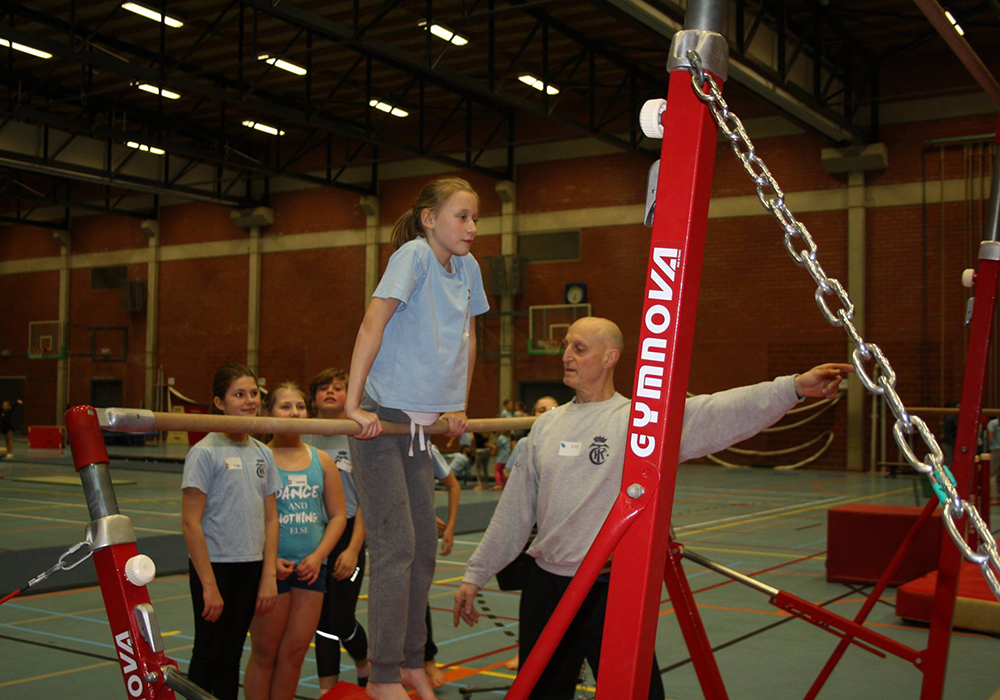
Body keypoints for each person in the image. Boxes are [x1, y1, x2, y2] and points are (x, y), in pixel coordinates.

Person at [453, 317, 852, 699]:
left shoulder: (640, 423)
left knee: (638, 692)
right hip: (547, 586)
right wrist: (476, 573)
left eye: (579, 348)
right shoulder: (545, 426)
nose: (566, 356)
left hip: (608, 590)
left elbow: (721, 411)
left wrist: (793, 388)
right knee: (540, 691)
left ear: (610, 358)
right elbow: (514, 513)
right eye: (565, 347)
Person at [345, 177, 489, 700]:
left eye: (476, 218)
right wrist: (352, 404)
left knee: (424, 547)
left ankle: (410, 661)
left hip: (418, 427)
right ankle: (381, 674)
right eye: (462, 217)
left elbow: (468, 342)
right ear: (430, 219)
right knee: (396, 545)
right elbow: (372, 324)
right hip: (384, 416)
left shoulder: (468, 269)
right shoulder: (414, 256)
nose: (472, 228)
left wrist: (459, 405)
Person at [181, 365, 280, 700]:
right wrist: (209, 585)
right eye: (240, 394)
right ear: (219, 403)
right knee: (208, 652)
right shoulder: (205, 452)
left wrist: (268, 575)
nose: (250, 400)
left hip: (250, 566)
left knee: (232, 655)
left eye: (254, 394)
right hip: (215, 566)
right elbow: (190, 522)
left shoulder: (263, 452)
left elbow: (270, 519)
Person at [245, 383, 347, 700]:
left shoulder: (322, 461)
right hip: (271, 571)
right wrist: (267, 561)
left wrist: (318, 557)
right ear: (269, 413)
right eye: (285, 407)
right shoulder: (259, 459)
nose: (294, 413)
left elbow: (339, 516)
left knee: (295, 652)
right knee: (265, 654)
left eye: (300, 406)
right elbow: (249, 519)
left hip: (310, 570)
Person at [304, 368, 372, 690]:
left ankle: (364, 661)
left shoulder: (356, 437)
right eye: (323, 388)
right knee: (320, 621)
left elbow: (366, 503)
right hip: (311, 535)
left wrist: (354, 549)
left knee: (342, 619)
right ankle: (327, 688)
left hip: (347, 536)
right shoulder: (301, 435)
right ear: (313, 398)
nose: (330, 392)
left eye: (338, 387)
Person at [424, 444, 462, 687]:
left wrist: (449, 526)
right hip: (388, 529)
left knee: (417, 598)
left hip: (420, 532)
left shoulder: (428, 449)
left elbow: (453, 485)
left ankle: (426, 659)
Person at [986, 415, 1000, 504]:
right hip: (996, 450)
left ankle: (994, 497)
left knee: (993, 475)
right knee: (993, 475)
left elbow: (990, 437)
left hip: (996, 449)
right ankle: (994, 496)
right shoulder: (993, 423)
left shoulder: (993, 423)